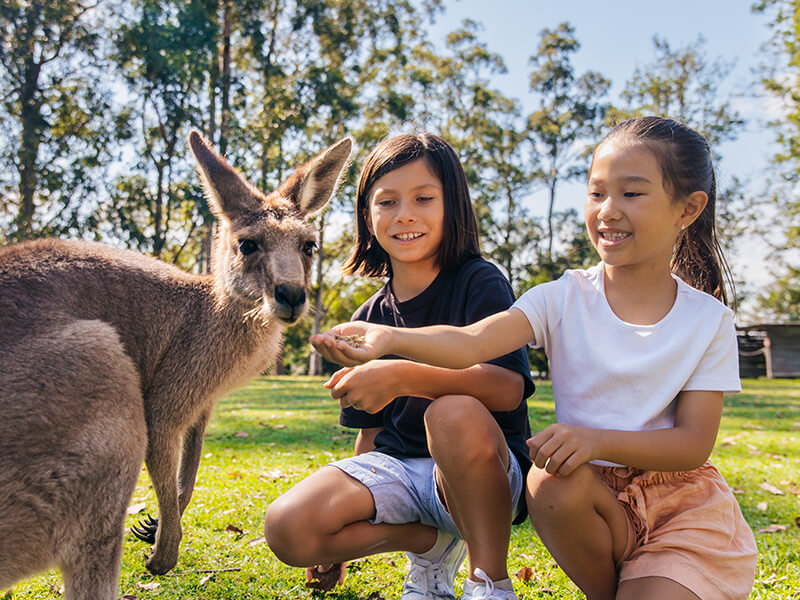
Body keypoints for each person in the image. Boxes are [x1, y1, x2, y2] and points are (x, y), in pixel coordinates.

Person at [312, 117, 758, 600]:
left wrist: (592, 438)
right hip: (590, 499)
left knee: (559, 477)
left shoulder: (708, 320)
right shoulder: (560, 297)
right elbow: (470, 343)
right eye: (596, 193)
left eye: (631, 194)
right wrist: (386, 339)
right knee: (548, 478)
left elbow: (693, 444)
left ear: (687, 209)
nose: (608, 211)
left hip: (681, 511)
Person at [265, 132, 535, 600]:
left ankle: (488, 581)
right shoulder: (368, 316)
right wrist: (341, 546)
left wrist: (399, 374)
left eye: (424, 198)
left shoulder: (480, 281)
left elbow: (507, 390)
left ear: (453, 207)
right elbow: (367, 438)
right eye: (386, 201)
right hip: (400, 475)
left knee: (450, 414)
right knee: (289, 527)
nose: (405, 214)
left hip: (482, 477)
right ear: (367, 218)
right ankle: (430, 547)